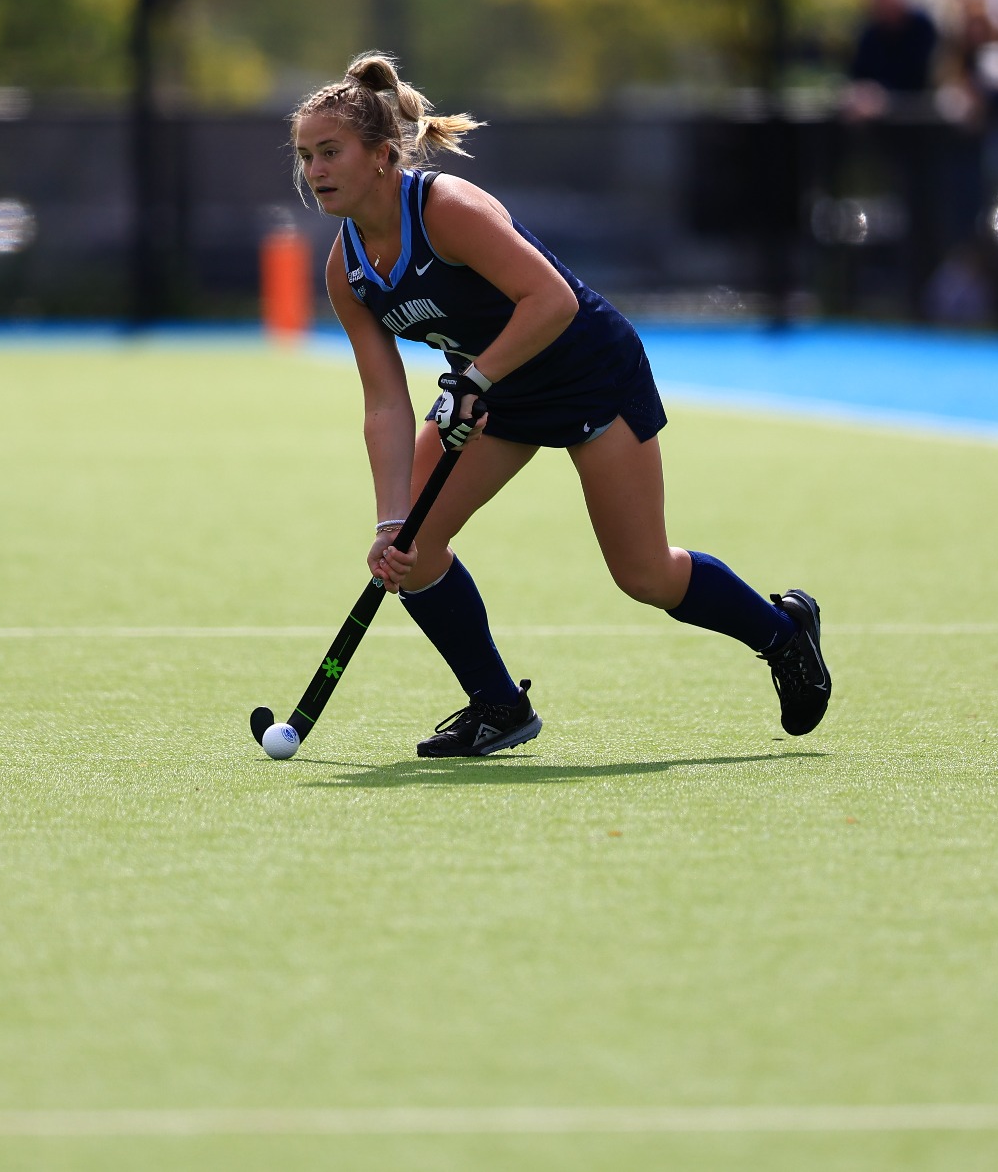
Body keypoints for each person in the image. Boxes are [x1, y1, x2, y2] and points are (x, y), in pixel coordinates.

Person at [289, 54, 831, 757]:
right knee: (411, 554)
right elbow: (384, 401)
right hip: (495, 395)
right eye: (306, 156)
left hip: (588, 376)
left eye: (330, 152)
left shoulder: (447, 210)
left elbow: (552, 300)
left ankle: (783, 632)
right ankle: (497, 705)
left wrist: (475, 379)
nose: (315, 170)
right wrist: (391, 520)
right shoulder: (346, 269)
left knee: (645, 575)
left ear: (383, 154)